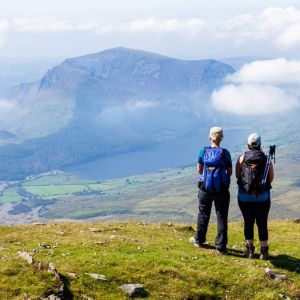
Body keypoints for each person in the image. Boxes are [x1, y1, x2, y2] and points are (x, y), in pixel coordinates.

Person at [190, 127, 232, 254]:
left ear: (210, 137)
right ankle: (220, 246)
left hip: (205, 188)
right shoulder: (225, 153)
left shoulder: (203, 151)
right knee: (221, 216)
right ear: (221, 138)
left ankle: (199, 240)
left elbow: (199, 170)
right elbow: (229, 172)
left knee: (203, 213)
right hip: (221, 190)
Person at [236, 133, 274, 260]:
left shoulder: (241, 158)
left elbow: (237, 176)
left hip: (244, 197)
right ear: (260, 145)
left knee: (248, 222)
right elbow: (270, 178)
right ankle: (264, 252)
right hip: (262, 197)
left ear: (248, 145)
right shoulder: (267, 159)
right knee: (262, 223)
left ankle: (250, 250)